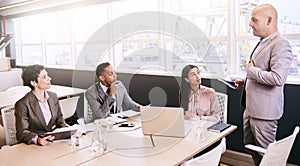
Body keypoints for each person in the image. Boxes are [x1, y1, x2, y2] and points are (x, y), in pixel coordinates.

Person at [232, 4, 292, 165]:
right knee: (252, 149)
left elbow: (278, 78)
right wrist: (245, 82)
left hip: (265, 114)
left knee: (268, 157)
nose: (250, 24)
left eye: (254, 20)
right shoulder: (263, 41)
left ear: (269, 20)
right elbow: (262, 72)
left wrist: (251, 72)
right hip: (251, 109)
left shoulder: (281, 44)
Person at [15, 64, 68, 146]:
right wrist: (37, 139)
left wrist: (71, 131)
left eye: (47, 76)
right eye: (44, 77)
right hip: (33, 146)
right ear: (33, 82)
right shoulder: (22, 104)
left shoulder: (53, 96)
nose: (49, 78)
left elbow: (60, 121)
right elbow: (21, 132)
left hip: (50, 142)